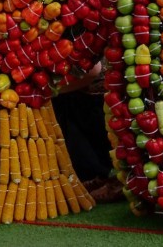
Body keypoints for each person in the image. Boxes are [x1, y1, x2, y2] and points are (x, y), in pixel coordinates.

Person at [52, 62, 122, 203]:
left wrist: (49, 91)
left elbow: (93, 71)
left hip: (102, 96)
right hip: (87, 92)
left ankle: (116, 179)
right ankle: (94, 176)